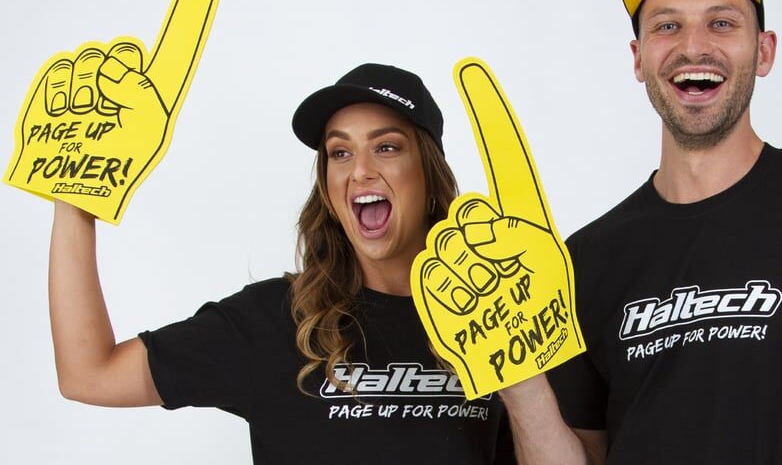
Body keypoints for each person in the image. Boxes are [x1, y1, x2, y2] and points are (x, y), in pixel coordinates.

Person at [49, 63, 516, 464]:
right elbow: (90, 374)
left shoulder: (495, 315)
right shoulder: (276, 320)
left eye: (387, 147)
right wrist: (75, 198)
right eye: (340, 152)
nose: (359, 171)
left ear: (429, 174)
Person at [499, 0, 782, 463]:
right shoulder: (585, 260)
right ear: (639, 59)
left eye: (721, 23)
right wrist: (517, 378)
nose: (693, 47)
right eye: (667, 26)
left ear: (765, 51)